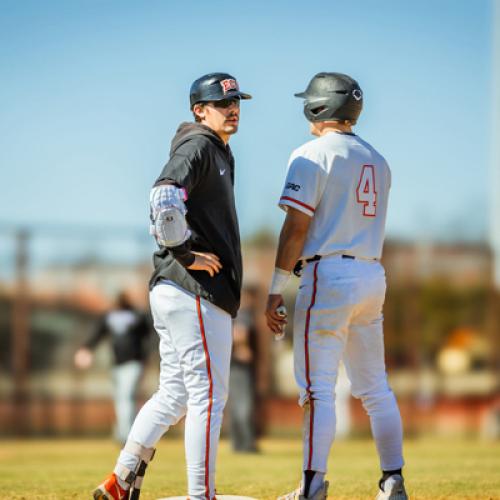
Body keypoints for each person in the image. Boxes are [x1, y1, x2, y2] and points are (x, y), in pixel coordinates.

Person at [93, 72, 251, 500]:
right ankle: (202, 494)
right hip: (193, 290)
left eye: (236, 101)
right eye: (223, 103)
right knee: (208, 396)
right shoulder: (199, 144)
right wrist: (186, 255)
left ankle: (120, 479)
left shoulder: (215, 148)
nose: (233, 108)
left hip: (175, 291)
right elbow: (163, 195)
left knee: (175, 394)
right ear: (200, 110)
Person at [265, 73, 407, 500]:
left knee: (317, 388)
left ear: (320, 107)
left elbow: (296, 226)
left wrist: (276, 287)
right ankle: (392, 480)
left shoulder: (311, 152)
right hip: (370, 274)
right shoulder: (379, 159)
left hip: (328, 275)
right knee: (375, 388)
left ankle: (311, 486)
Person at [74, 291, 150, 445]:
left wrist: (150, 356)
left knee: (126, 398)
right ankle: (126, 432)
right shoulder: (109, 317)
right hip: (116, 365)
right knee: (121, 400)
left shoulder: (138, 316)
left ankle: (126, 436)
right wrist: (86, 349)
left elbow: (150, 335)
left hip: (134, 363)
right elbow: (97, 334)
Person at [228, 285, 260, 453]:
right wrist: (242, 348)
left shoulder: (233, 312)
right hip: (240, 365)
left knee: (236, 405)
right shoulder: (244, 313)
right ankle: (247, 444)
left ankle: (237, 443)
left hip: (231, 364)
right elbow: (240, 332)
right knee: (244, 404)